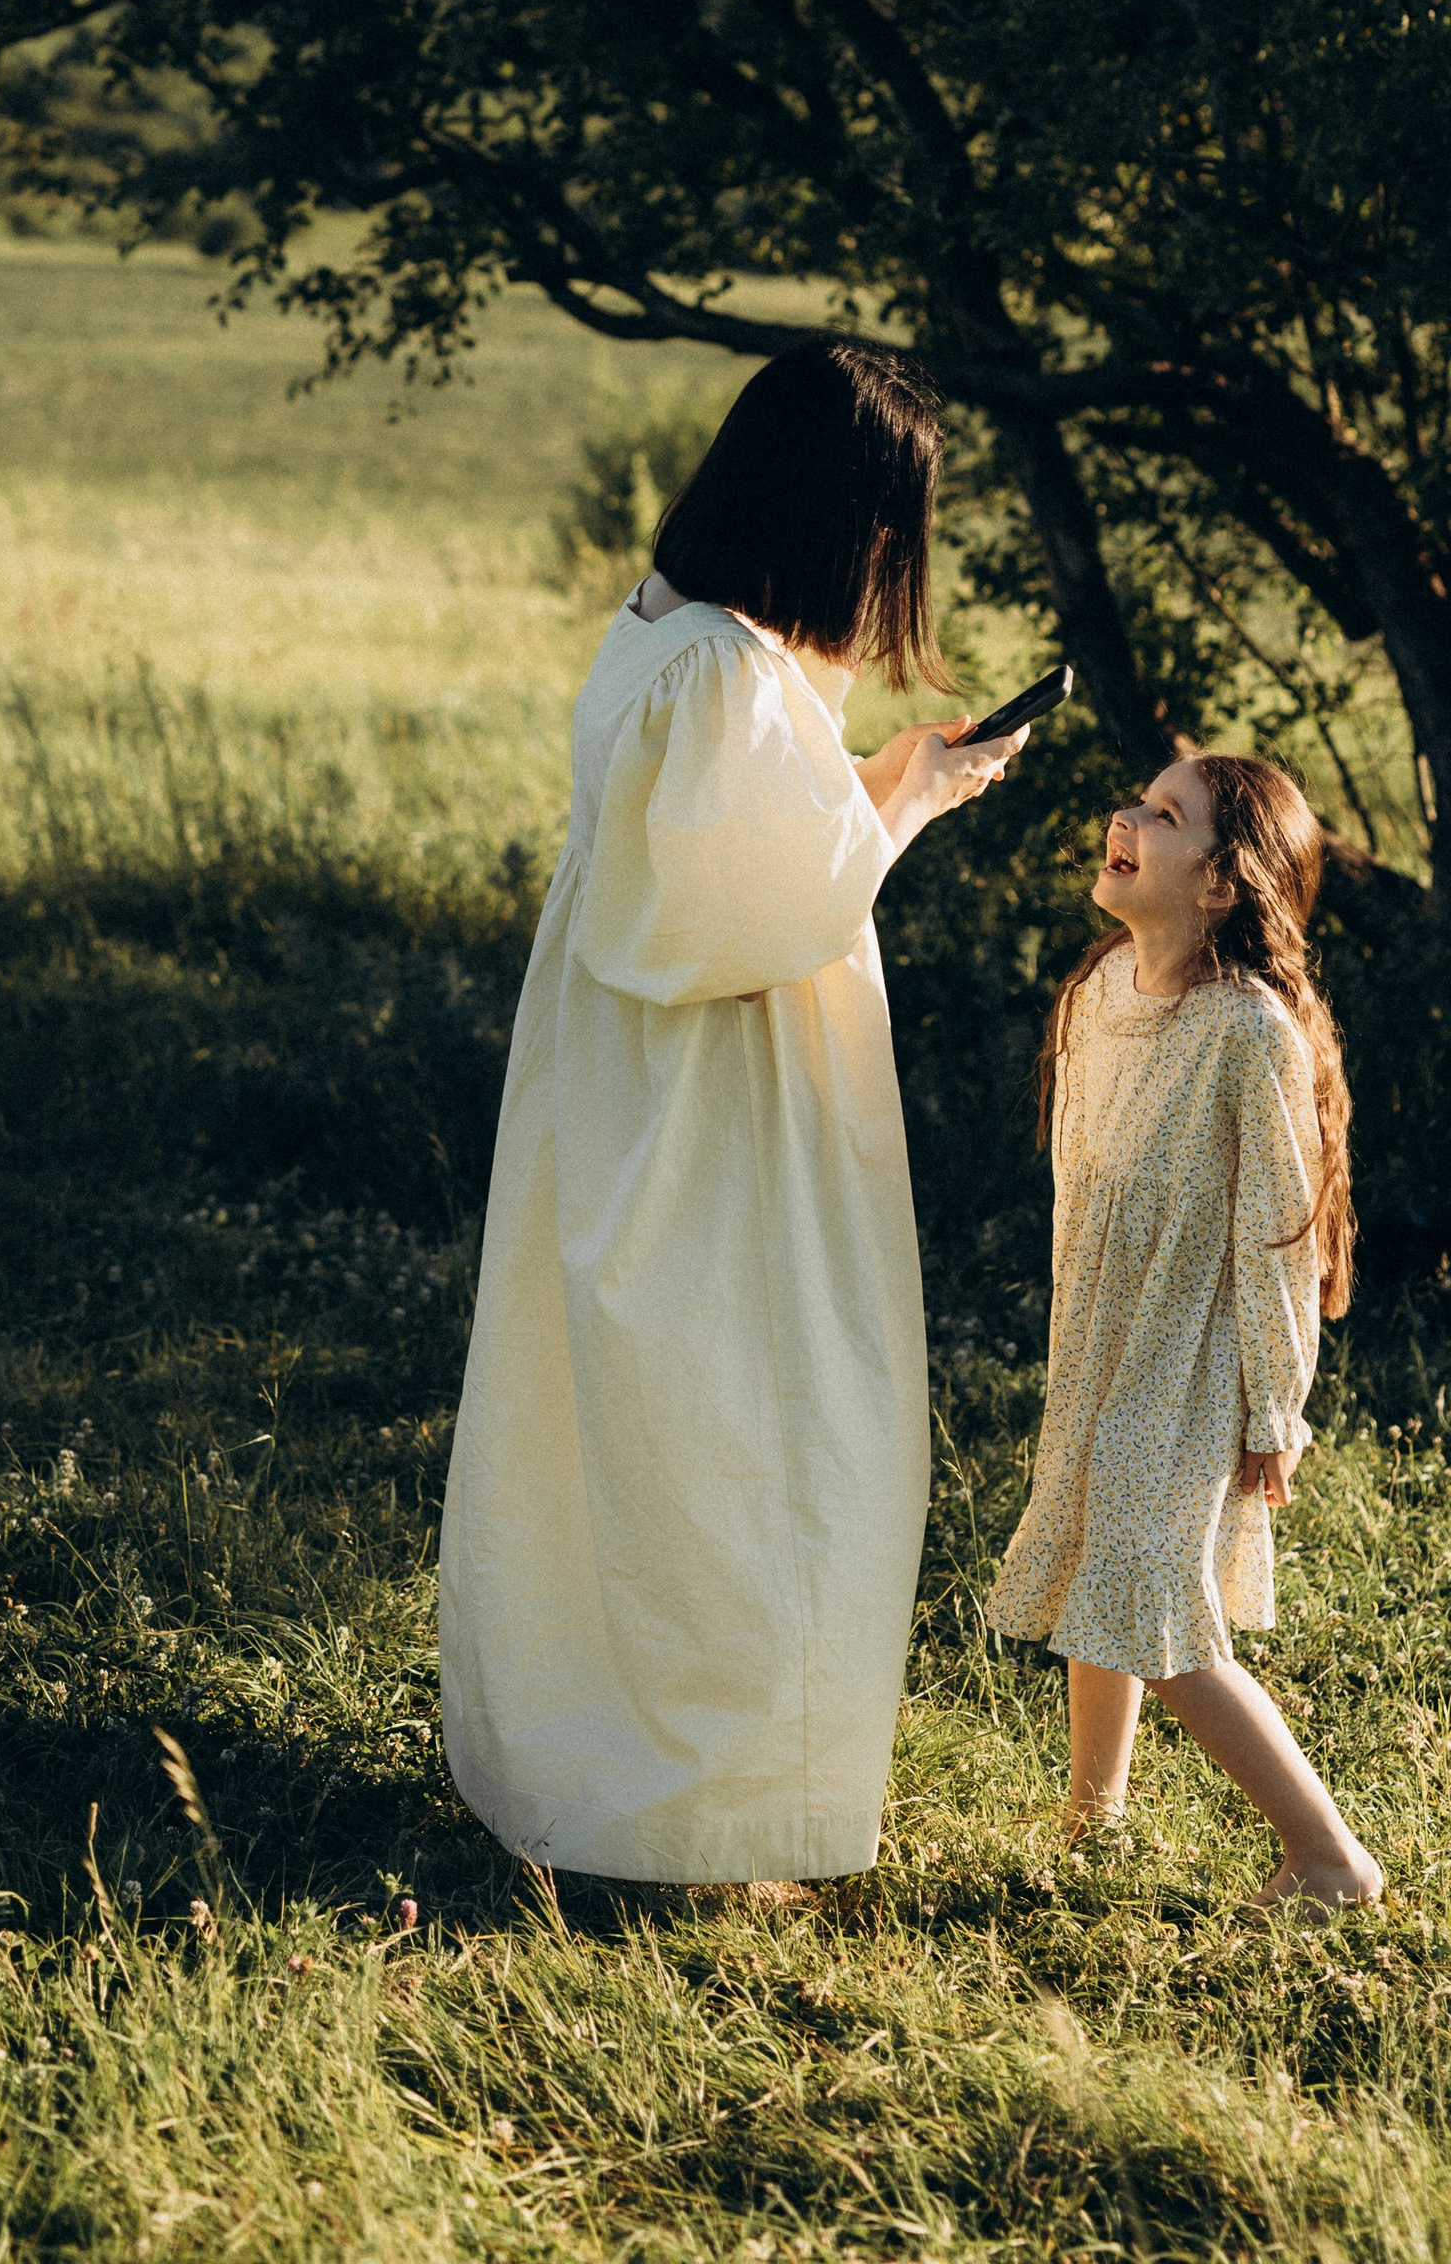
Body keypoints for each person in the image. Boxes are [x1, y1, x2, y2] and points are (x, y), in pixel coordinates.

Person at [439, 341, 1024, 1887]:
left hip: (634, 1072)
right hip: (717, 1095)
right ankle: (708, 1803)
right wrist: (909, 799)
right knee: (749, 1419)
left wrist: (877, 777)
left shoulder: (671, 634)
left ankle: (626, 1768)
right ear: (847, 520)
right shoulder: (720, 670)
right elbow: (754, 908)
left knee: (643, 1419)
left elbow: (729, 837)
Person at [985, 750, 1383, 1911]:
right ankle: (1091, 1819)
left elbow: (1277, 1240)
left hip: (1192, 1358)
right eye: (1135, 802)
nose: (1126, 819)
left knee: (1152, 1599)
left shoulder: (1246, 1034)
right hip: (1102, 1340)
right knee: (1093, 1566)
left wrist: (1276, 1407)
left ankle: (1329, 1861)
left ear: (1220, 882)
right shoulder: (1101, 990)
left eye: (1165, 816)